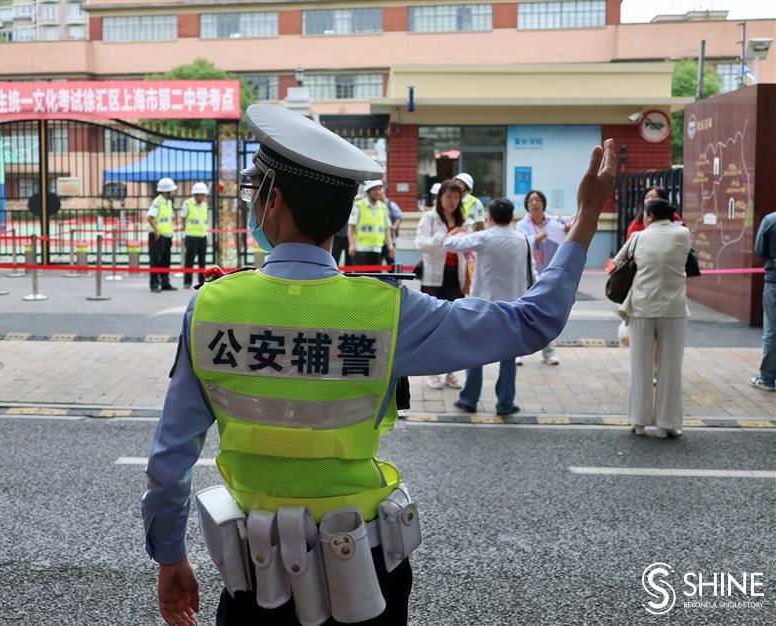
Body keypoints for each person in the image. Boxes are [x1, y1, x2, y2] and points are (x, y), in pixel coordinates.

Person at [142, 102, 616, 626]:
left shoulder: (210, 308)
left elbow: (170, 460)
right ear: (342, 214)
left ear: (273, 201)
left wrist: (169, 556)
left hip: (257, 574)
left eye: (256, 192)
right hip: (361, 572)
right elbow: (534, 321)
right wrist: (587, 217)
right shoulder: (389, 312)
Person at [444, 198, 537, 416]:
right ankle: (505, 404)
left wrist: (456, 232)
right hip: (513, 307)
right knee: (508, 357)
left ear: (490, 217)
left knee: (475, 353)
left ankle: (469, 400)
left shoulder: (484, 237)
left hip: (482, 307)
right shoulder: (523, 240)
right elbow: (532, 272)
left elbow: (449, 245)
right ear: (511, 216)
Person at [612, 198, 691, 438]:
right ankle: (667, 424)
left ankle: (638, 421)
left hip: (642, 307)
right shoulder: (684, 235)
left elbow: (614, 265)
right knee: (670, 367)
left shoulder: (638, 238)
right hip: (674, 309)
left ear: (649, 216)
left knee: (640, 365)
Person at [414, 179, 471, 389]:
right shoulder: (429, 217)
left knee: (453, 326)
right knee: (433, 326)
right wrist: (446, 236)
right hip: (433, 279)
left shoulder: (463, 219)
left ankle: (450, 372)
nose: (453, 201)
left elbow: (469, 246)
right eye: (449, 197)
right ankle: (432, 371)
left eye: (457, 197)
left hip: (456, 278)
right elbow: (421, 244)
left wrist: (465, 238)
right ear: (440, 197)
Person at [515, 190, 571, 365]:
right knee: (522, 312)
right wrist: (537, 238)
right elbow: (521, 242)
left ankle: (548, 352)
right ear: (527, 205)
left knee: (547, 314)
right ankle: (518, 351)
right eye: (531, 200)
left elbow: (567, 235)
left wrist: (568, 229)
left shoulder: (553, 223)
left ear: (543, 203)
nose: (534, 203)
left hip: (549, 273)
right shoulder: (522, 225)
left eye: (537, 200)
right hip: (528, 274)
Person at [751, 210, 776, 391]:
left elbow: (760, 250)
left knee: (772, 330)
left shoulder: (770, 220)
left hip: (774, 281)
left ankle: (767, 378)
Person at [348, 180, 395, 267]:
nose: (378, 192)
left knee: (374, 279)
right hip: (361, 250)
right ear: (368, 191)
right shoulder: (359, 205)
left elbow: (386, 229)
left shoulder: (382, 207)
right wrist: (352, 245)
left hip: (377, 249)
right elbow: (351, 228)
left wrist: (390, 245)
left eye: (379, 189)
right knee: (362, 279)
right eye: (375, 189)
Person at [148, 177, 178, 292]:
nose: (173, 192)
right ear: (166, 191)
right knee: (155, 261)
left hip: (167, 236)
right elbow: (150, 218)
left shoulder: (168, 202)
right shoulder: (157, 202)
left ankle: (165, 283)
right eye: (171, 190)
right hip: (157, 236)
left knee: (166, 260)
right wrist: (156, 230)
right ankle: (154, 284)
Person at [180, 182, 210, 289]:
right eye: (201, 195)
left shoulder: (205, 205)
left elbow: (204, 221)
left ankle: (201, 281)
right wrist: (184, 232)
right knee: (189, 260)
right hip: (191, 236)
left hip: (202, 236)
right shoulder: (187, 204)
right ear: (196, 194)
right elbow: (183, 218)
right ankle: (187, 282)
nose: (203, 197)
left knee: (202, 261)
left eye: (204, 195)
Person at [381, 186, 404, 267]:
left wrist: (394, 227)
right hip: (378, 240)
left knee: (390, 262)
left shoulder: (390, 204)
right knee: (377, 264)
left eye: (382, 192)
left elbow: (400, 216)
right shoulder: (375, 205)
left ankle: (393, 279)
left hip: (389, 240)